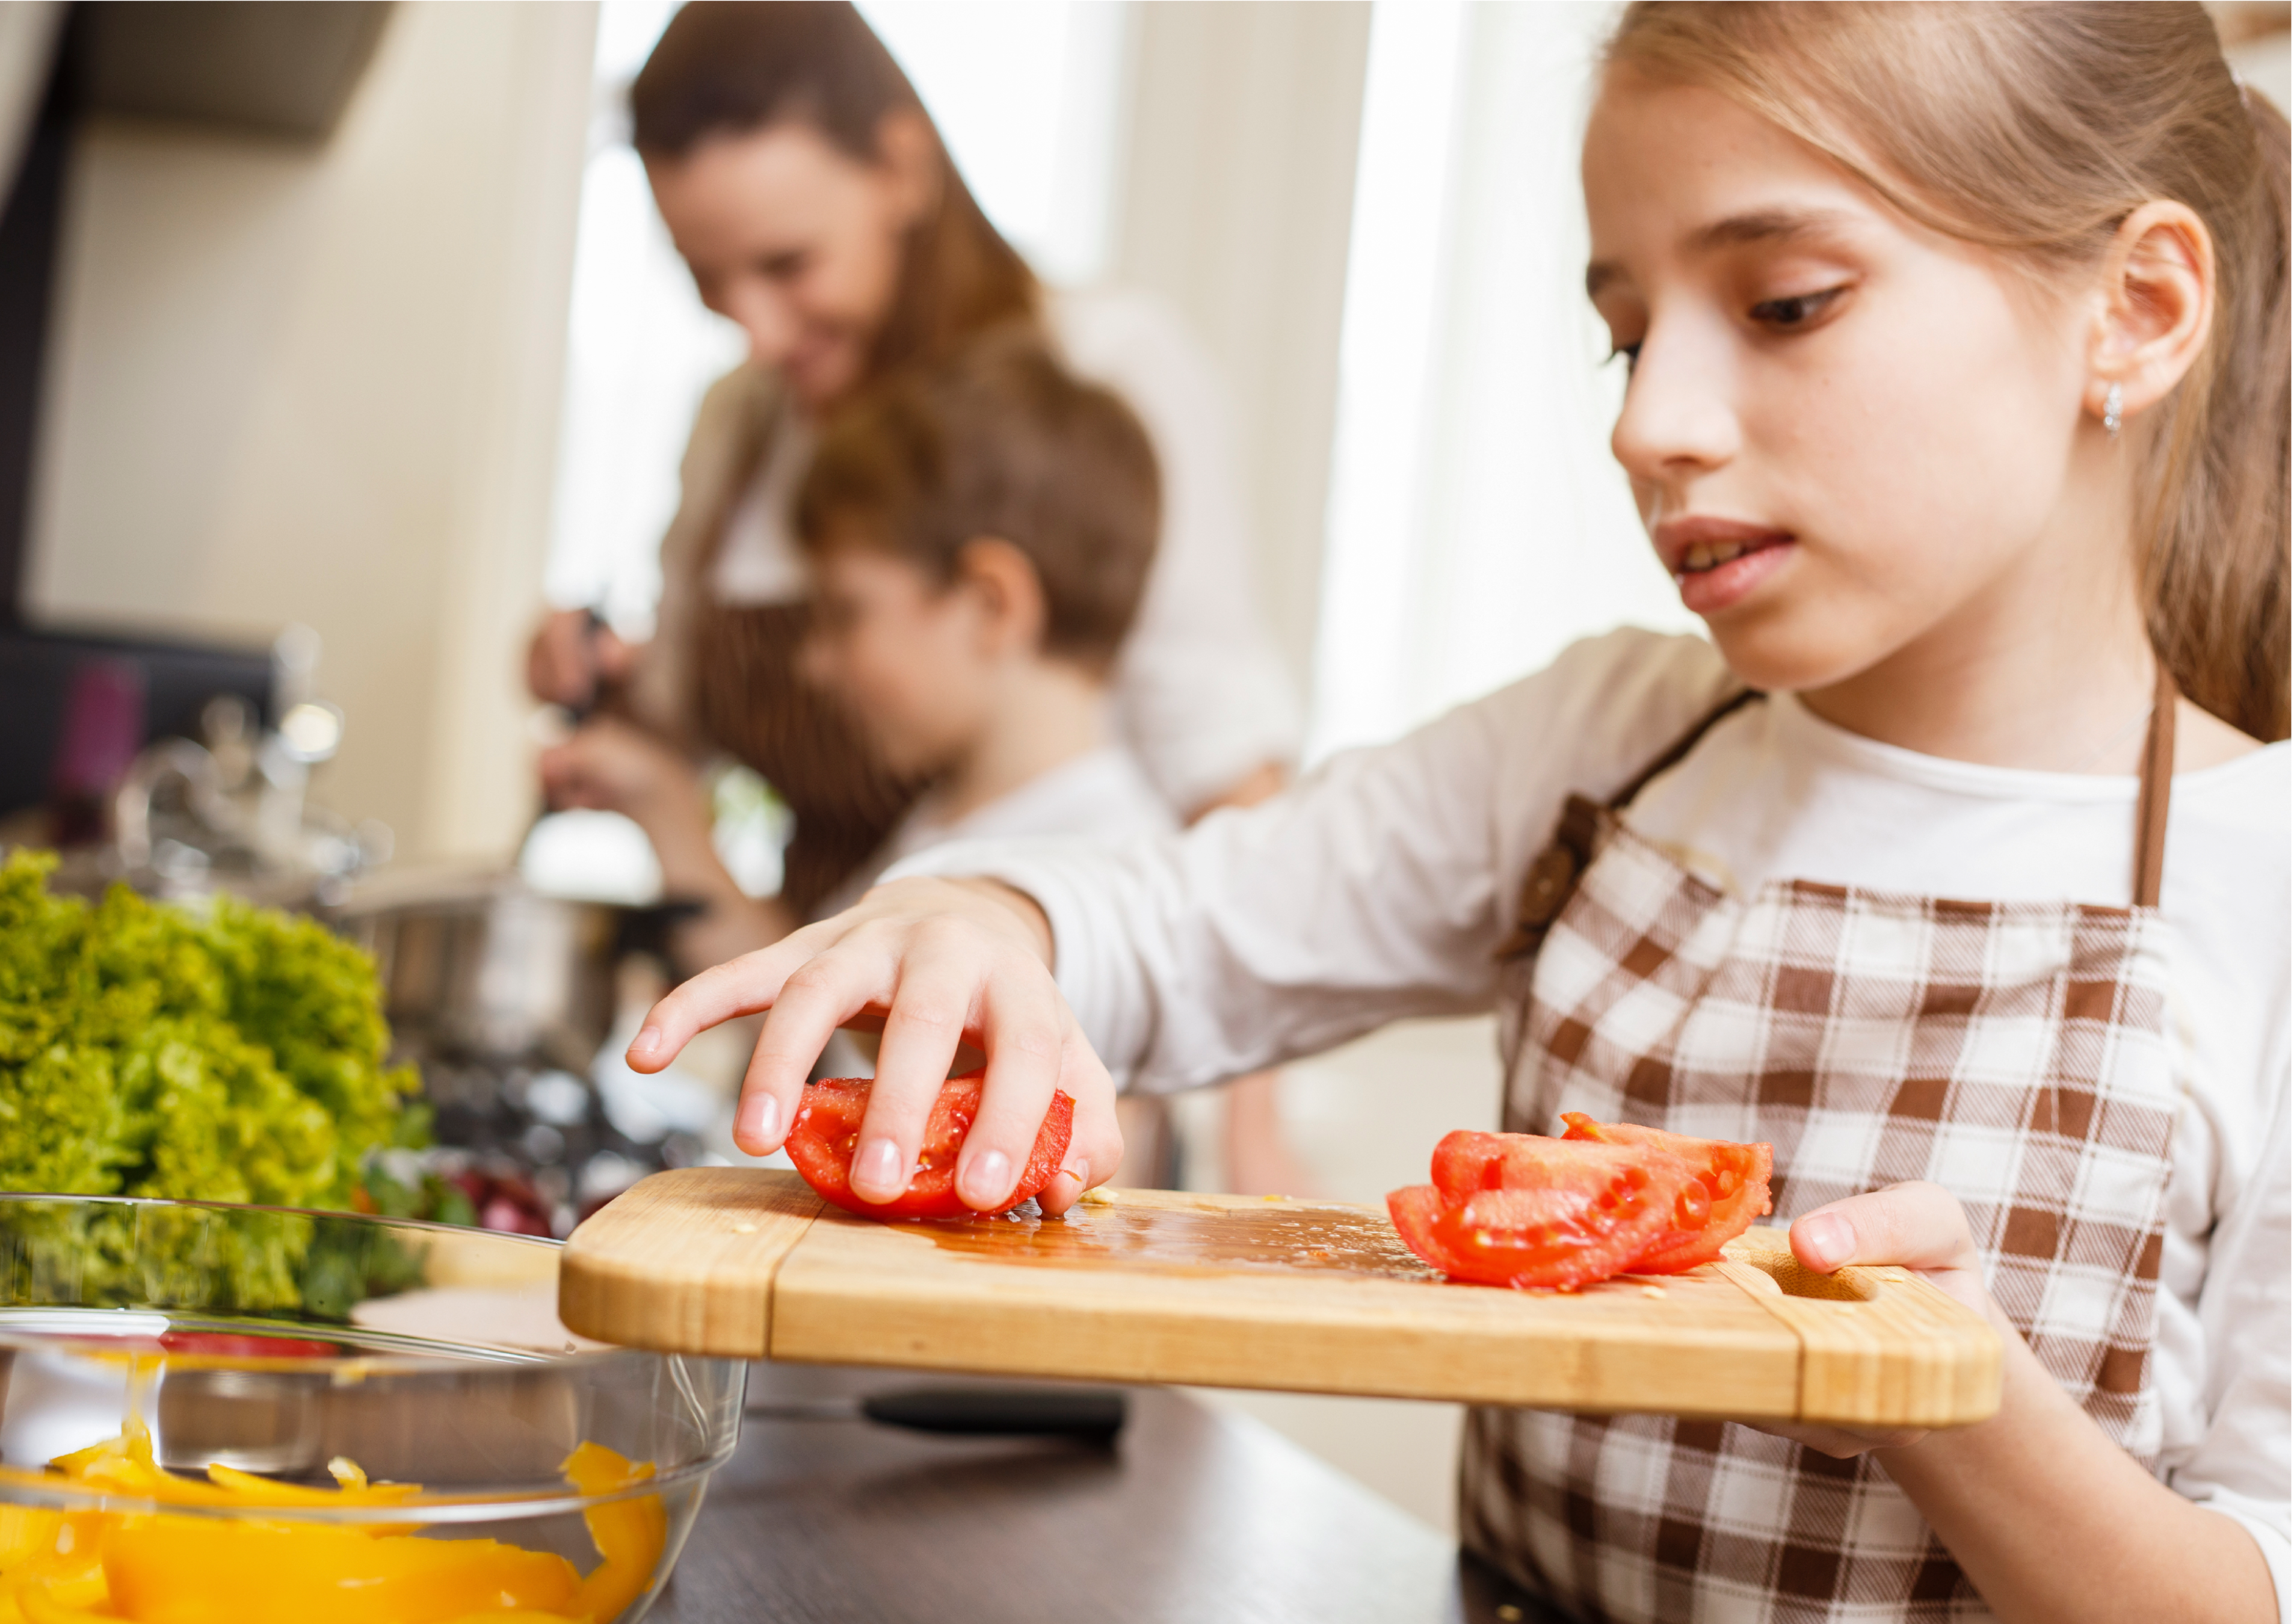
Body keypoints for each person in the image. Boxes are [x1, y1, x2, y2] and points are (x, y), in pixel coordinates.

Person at [627, 3, 2293, 1617]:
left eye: (1784, 302)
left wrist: (1951, 1392)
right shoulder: (1600, 744)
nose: (1648, 423)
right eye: (1625, 334)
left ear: (2132, 310)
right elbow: (1178, 916)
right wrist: (983, 922)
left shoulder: (2266, 893)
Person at [530, 0, 1298, 972]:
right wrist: (608, 682)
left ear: (901, 168)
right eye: (708, 280)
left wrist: (1248, 1125)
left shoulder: (1098, 370)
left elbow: (1221, 767)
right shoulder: (741, 423)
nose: (756, 334)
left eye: (787, 263)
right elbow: (687, 718)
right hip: (829, 983)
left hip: (1050, 1004)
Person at [794, 332, 1173, 926]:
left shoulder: (1103, 882)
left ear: (992, 605)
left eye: (845, 612)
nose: (812, 662)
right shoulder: (947, 820)